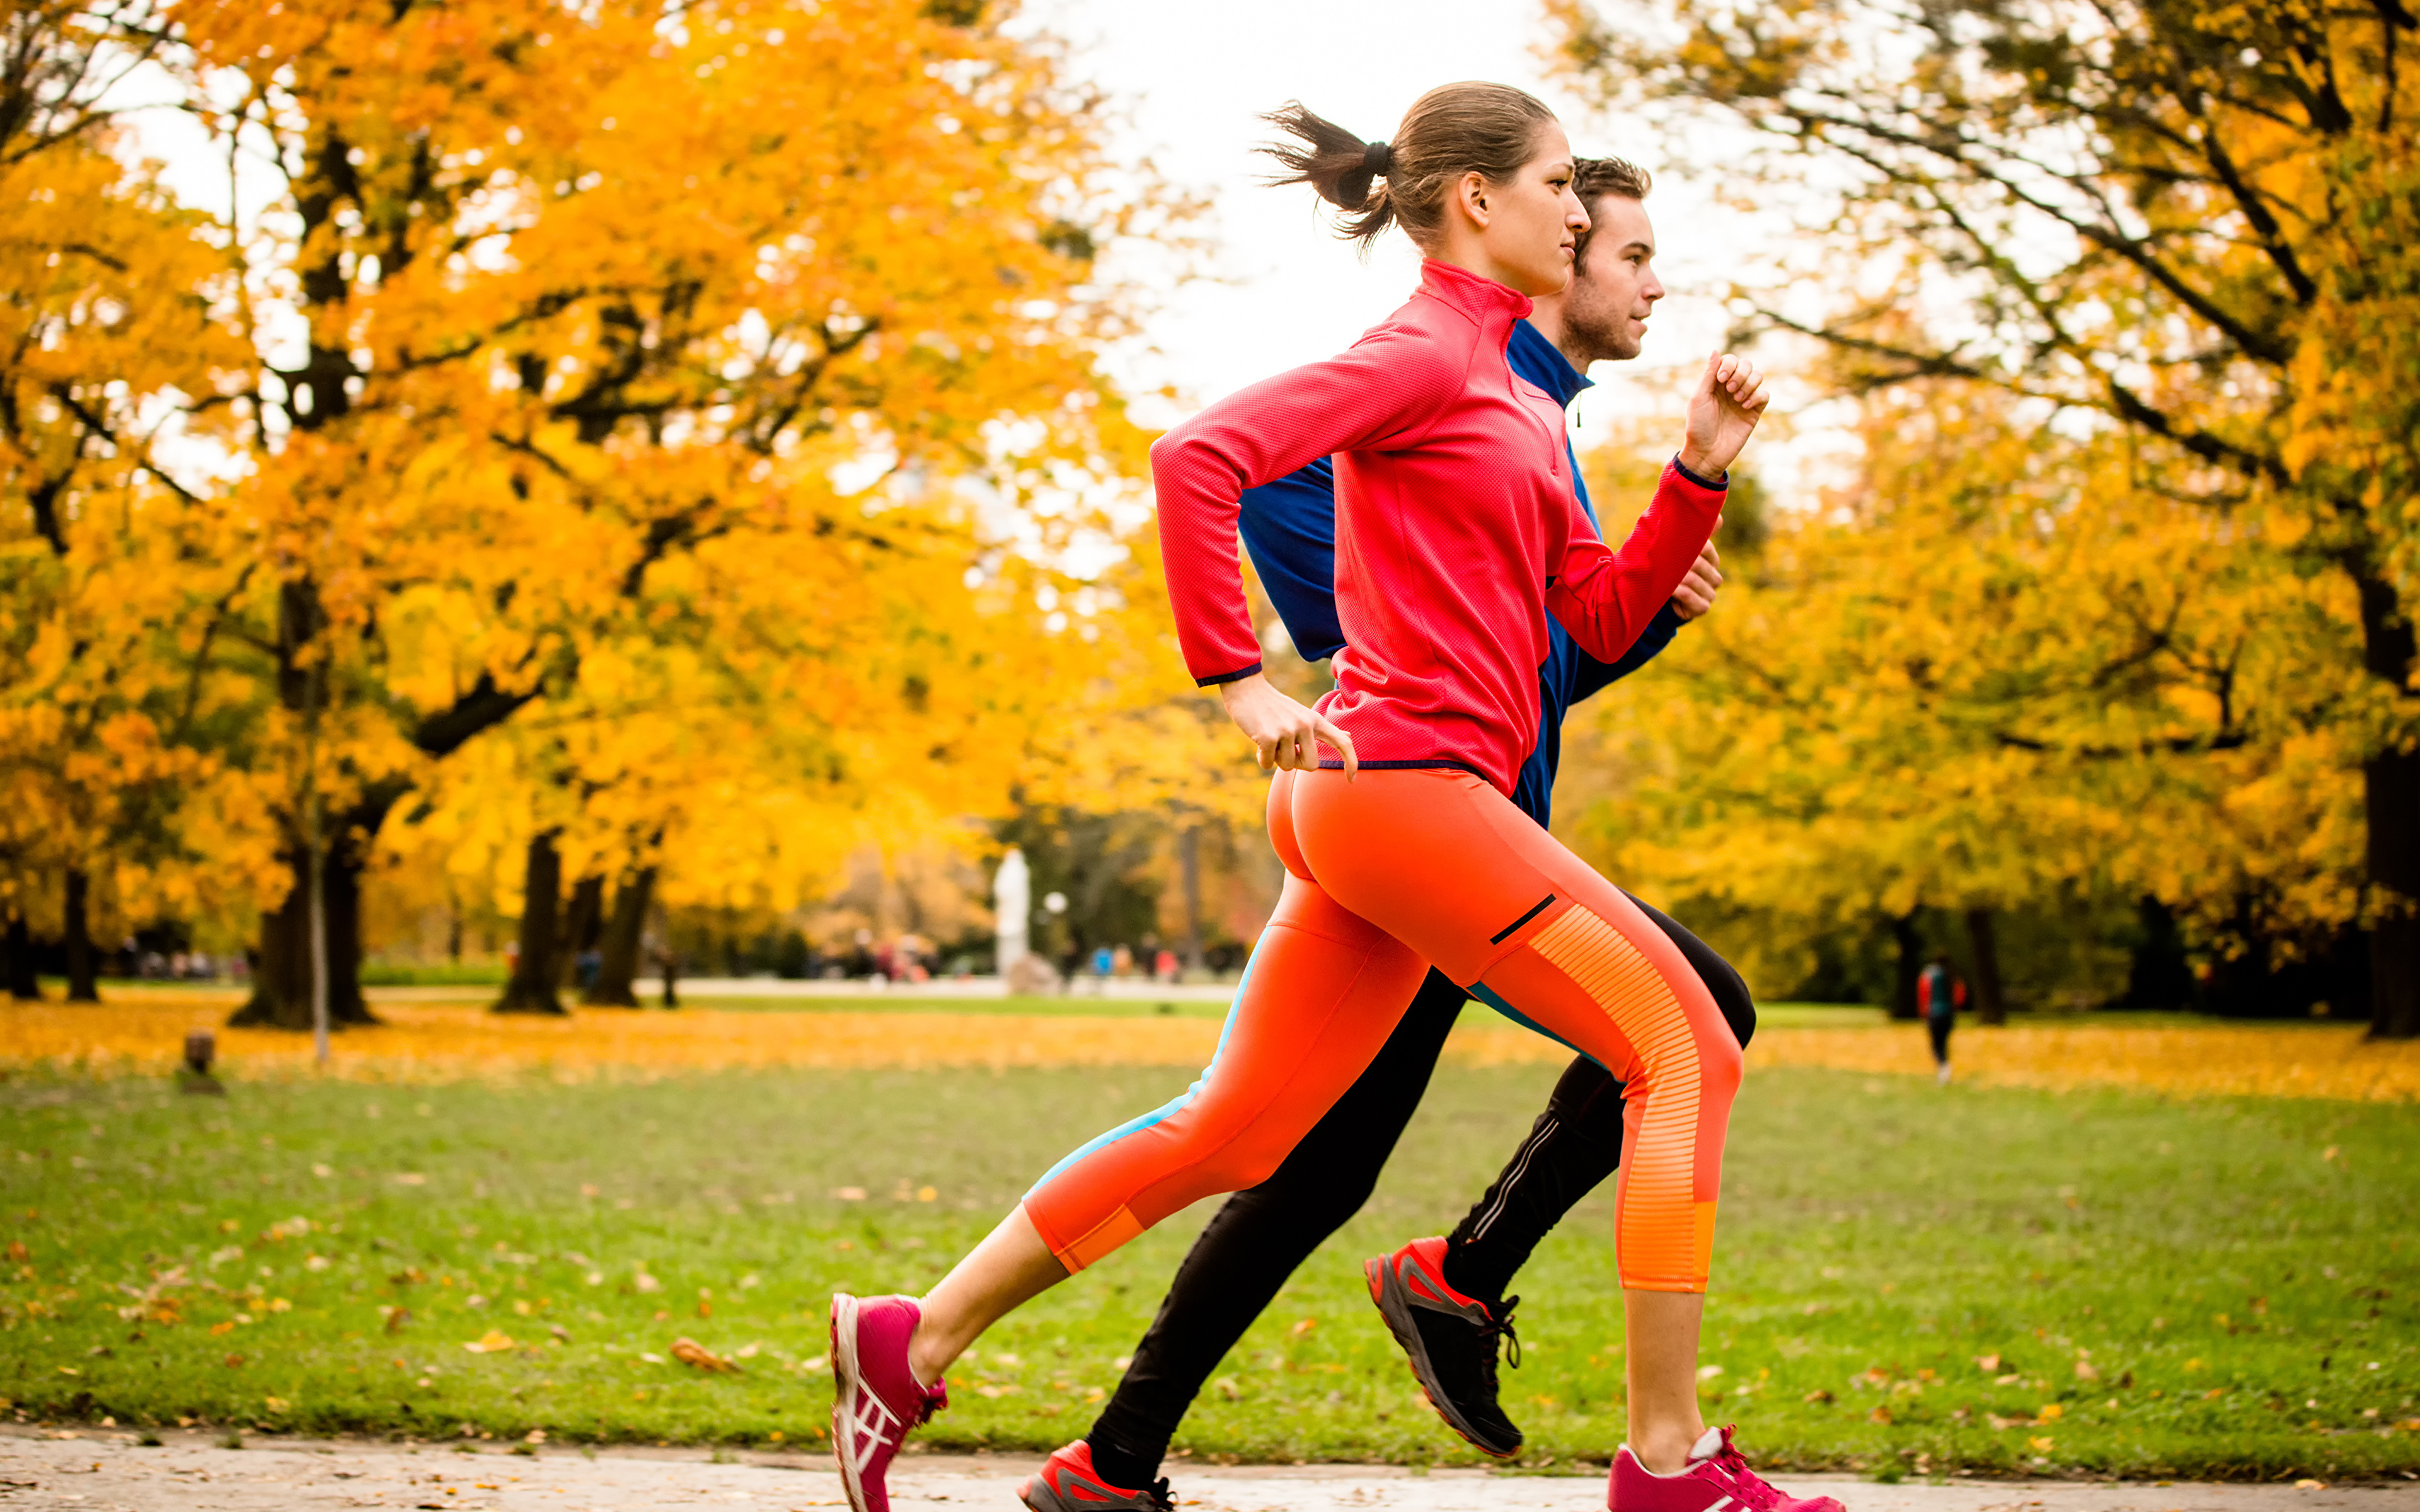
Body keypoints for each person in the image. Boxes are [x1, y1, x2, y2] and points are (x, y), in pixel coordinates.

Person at [830, 83, 1828, 1512]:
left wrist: (1693, 475)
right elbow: (1199, 457)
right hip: (1404, 788)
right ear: (1478, 201)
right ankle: (1665, 1461)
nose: (1575, 206)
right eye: (1556, 183)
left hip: (1386, 801)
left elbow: (1594, 621)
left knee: (1238, 1130)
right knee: (1685, 1047)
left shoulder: (1516, 398)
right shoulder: (1421, 351)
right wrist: (1234, 675)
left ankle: (908, 1335)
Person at [1020, 153, 1746, 1512]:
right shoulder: (1428, 385)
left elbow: (1550, 656)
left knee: (1304, 1166)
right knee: (1681, 1028)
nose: (1642, 272)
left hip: (1480, 829)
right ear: (1545, 243)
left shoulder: (1539, 427)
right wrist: (1258, 681)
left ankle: (1114, 1463)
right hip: (1410, 823)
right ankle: (1457, 1292)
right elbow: (1316, 557)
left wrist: (1642, 602)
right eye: (1616, 243)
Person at [1918, 952, 1966, 1084]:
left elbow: (1924, 993)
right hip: (1949, 1014)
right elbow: (1960, 995)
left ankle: (1943, 1069)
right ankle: (1945, 1069)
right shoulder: (1953, 975)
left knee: (1936, 1045)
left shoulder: (1929, 974)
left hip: (1934, 1014)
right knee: (1944, 1043)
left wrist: (1923, 1012)